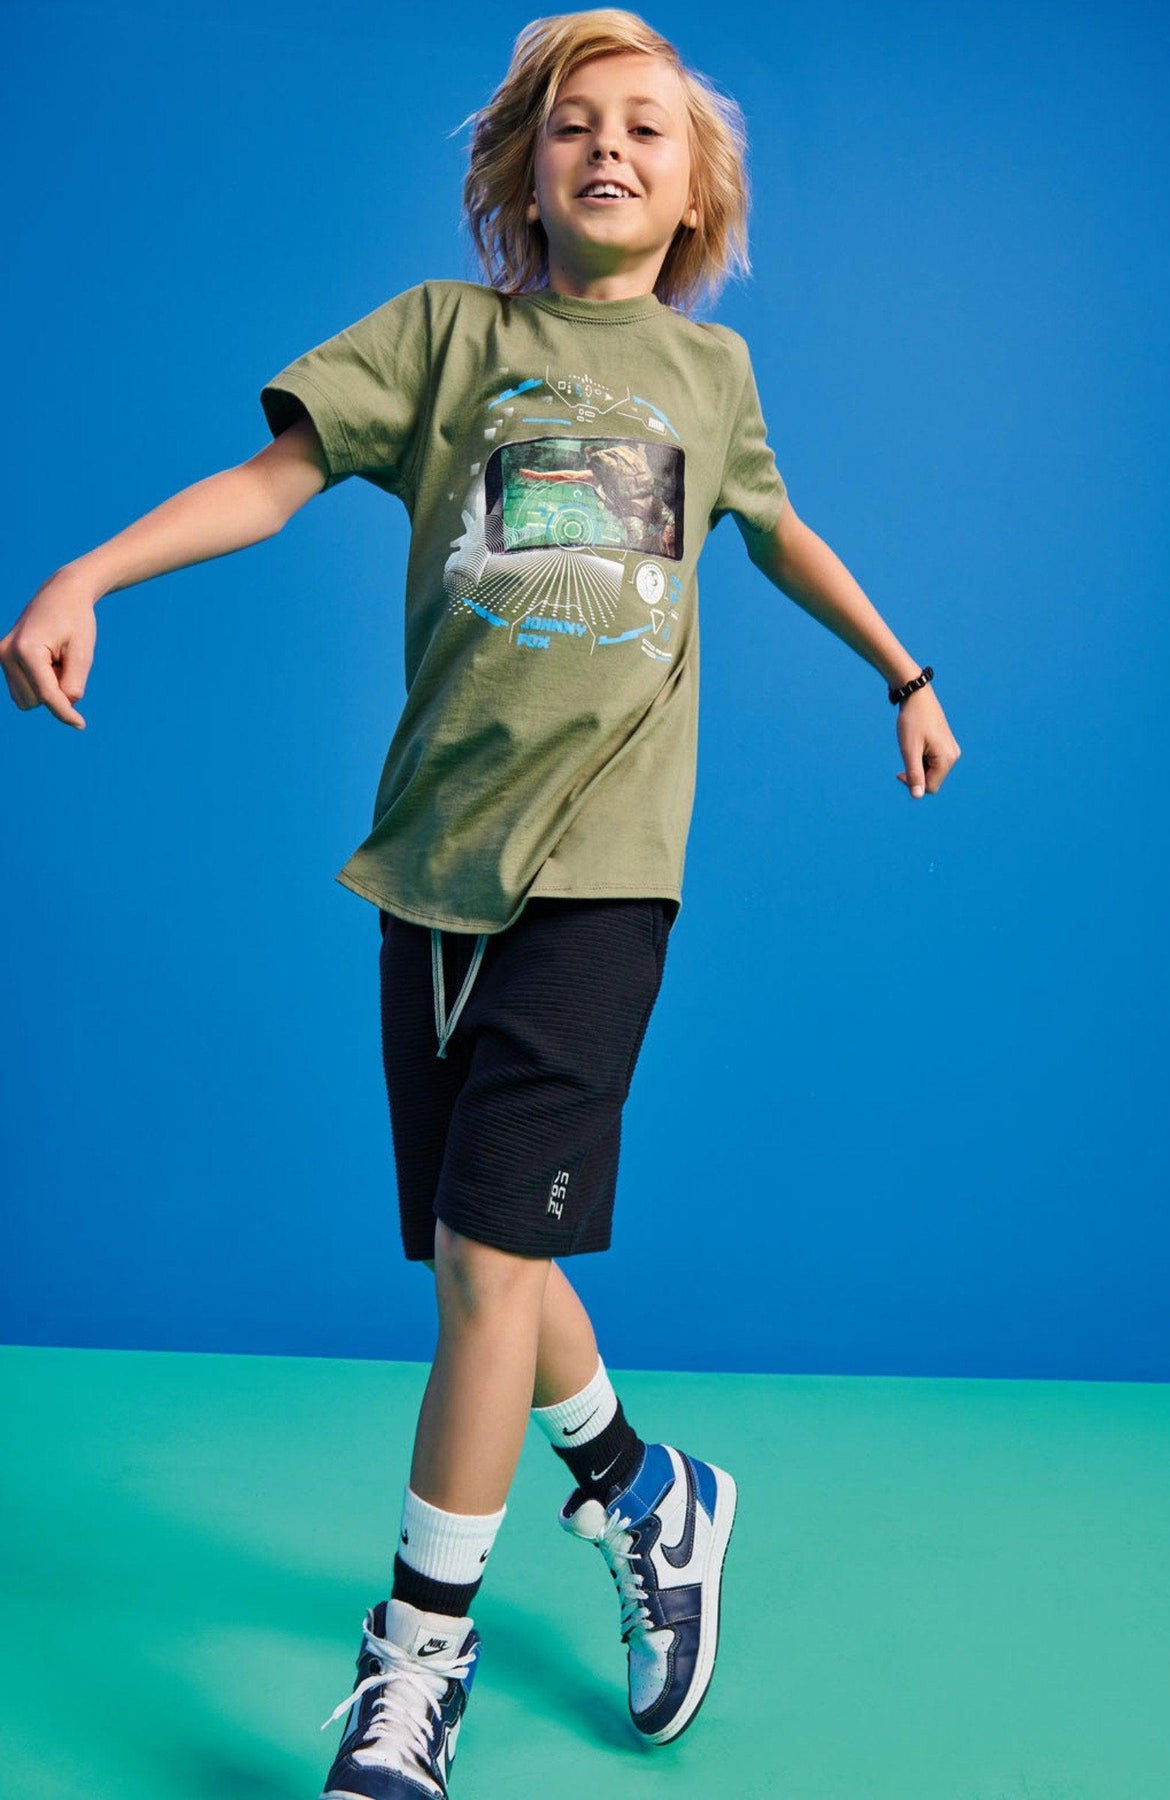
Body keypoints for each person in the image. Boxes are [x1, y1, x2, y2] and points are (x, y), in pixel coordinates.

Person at [1, 8, 962, 1796]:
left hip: (603, 878)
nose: (610, 147)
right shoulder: (446, 339)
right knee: (482, 1258)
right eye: (576, 123)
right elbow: (273, 483)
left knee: (486, 1268)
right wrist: (90, 572)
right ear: (525, 172)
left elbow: (777, 530)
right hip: (435, 867)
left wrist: (903, 672)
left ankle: (416, 1669)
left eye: (648, 129)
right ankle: (648, 1494)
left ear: (694, 194)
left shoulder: (710, 379)